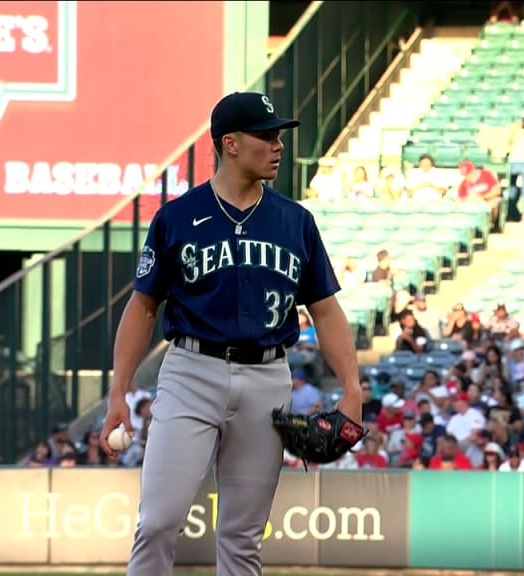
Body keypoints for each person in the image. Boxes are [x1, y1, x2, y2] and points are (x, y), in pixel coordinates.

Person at [101, 92, 363, 576]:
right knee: (158, 521)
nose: (278, 145)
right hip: (190, 373)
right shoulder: (176, 219)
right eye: (266, 135)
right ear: (231, 144)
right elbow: (142, 308)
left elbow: (325, 311)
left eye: (279, 135)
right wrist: (118, 390)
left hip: (267, 377)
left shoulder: (296, 221)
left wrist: (352, 387)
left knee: (243, 539)